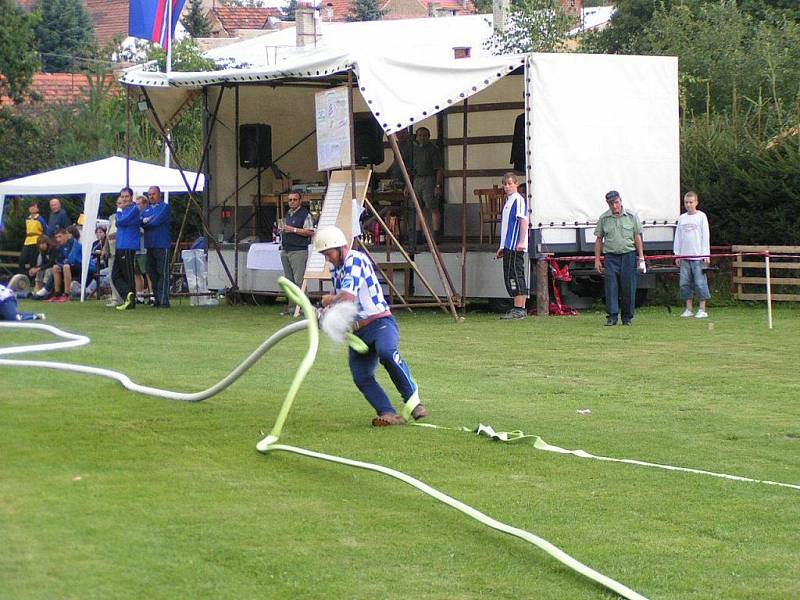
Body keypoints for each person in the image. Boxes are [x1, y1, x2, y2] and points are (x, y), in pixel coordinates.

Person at [313, 226, 429, 427]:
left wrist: (327, 301)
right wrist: (324, 315)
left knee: (386, 352)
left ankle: (414, 401)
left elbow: (347, 295)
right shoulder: (336, 268)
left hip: (380, 322)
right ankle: (388, 413)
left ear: (340, 248)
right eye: (324, 255)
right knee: (361, 375)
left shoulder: (355, 259)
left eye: (328, 254)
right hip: (358, 332)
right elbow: (343, 302)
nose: (327, 259)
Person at [594, 190, 645, 326]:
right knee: (611, 287)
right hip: (611, 256)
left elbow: (637, 237)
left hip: (628, 255)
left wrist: (641, 258)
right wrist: (597, 259)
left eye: (616, 202)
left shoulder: (631, 216)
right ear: (608, 204)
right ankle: (612, 317)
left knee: (628, 286)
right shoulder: (604, 218)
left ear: (621, 201)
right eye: (611, 203)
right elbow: (599, 239)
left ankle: (627, 317)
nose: (614, 206)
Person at [495, 173, 529, 320]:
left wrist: (521, 242)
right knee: (510, 275)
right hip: (508, 245)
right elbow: (506, 227)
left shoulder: (518, 200)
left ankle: (520, 308)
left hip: (515, 245)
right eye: (505, 184)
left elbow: (523, 221)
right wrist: (502, 246)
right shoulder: (508, 201)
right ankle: (516, 306)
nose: (507, 186)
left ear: (516, 184)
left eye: (510, 183)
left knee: (516, 274)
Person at [673, 191, 711, 319]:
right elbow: (678, 237)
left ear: (696, 203)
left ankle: (702, 309)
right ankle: (688, 309)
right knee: (684, 283)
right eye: (686, 202)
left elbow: (705, 236)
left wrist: (706, 254)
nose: (688, 205)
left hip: (698, 257)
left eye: (691, 202)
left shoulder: (701, 216)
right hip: (684, 257)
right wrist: (677, 254)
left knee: (700, 283)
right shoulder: (682, 218)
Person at [278, 191, 314, 315]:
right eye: (290, 200)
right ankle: (292, 308)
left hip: (298, 251)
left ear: (300, 201)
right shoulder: (288, 214)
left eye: (294, 199)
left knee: (299, 282)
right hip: (286, 250)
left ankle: (305, 308)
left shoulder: (305, 214)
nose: (292, 202)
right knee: (289, 282)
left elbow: (310, 232)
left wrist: (292, 229)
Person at [407, 127, 444, 246]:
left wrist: (437, 185)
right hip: (417, 179)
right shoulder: (414, 149)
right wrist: (408, 185)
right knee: (418, 208)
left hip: (429, 178)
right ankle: (418, 235)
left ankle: (436, 234)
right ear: (416, 137)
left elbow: (439, 169)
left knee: (432, 206)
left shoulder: (433, 149)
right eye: (420, 135)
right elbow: (410, 169)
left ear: (429, 136)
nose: (422, 138)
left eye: (425, 135)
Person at [142, 186, 172, 308]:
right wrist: (146, 221)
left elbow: (156, 222)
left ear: (159, 194)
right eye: (149, 194)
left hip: (162, 244)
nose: (151, 196)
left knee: (162, 272)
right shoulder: (147, 209)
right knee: (152, 273)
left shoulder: (164, 207)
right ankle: (157, 298)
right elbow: (140, 221)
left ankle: (164, 300)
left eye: (153, 194)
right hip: (150, 244)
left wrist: (146, 222)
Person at [112, 187, 141, 311]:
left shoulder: (133, 209)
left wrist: (118, 210)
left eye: (126, 197)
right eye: (122, 197)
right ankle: (128, 295)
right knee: (115, 275)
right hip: (120, 246)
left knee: (128, 275)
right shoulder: (125, 210)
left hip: (128, 246)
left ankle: (130, 301)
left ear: (131, 197)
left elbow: (119, 222)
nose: (124, 199)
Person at [19, 202, 48, 274]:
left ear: (37, 209)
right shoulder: (27, 219)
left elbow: (46, 230)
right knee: (22, 259)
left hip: (36, 240)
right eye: (31, 207)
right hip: (27, 240)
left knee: (33, 261)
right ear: (29, 209)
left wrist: (43, 240)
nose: (32, 208)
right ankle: (23, 276)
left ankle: (32, 279)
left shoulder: (40, 219)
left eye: (34, 207)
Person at [133, 195, 151, 304]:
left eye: (139, 204)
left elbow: (147, 229)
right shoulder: (136, 216)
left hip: (144, 248)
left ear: (145, 204)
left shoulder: (147, 215)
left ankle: (152, 295)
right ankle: (139, 296)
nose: (137, 206)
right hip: (136, 248)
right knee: (137, 273)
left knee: (147, 273)